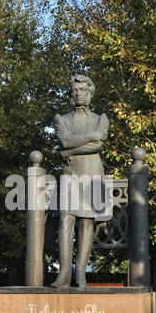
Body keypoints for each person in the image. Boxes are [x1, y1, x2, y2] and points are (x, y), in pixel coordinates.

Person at [50, 74, 109, 288]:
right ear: (70, 94)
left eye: (83, 90)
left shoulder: (100, 119)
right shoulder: (61, 119)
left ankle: (81, 274)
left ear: (90, 93)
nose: (78, 93)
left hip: (92, 174)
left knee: (86, 223)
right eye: (75, 90)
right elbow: (64, 140)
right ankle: (64, 273)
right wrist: (91, 136)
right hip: (70, 175)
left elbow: (98, 146)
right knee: (66, 220)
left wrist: (70, 151)